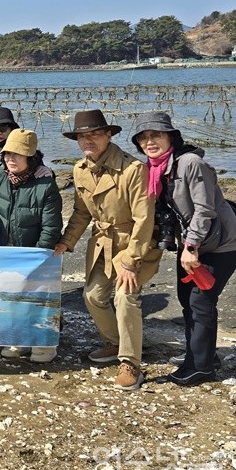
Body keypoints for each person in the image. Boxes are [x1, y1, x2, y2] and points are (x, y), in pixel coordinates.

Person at [131, 111, 236, 386]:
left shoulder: (191, 163)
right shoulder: (155, 169)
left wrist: (191, 246)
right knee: (187, 299)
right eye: (143, 137)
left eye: (156, 135)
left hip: (218, 244)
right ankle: (202, 356)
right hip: (192, 243)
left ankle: (200, 368)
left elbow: (205, 209)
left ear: (171, 137)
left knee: (200, 302)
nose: (149, 142)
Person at [55, 110, 162, 392]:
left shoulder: (133, 169)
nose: (87, 140)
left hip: (135, 244)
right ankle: (115, 342)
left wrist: (130, 261)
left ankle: (130, 363)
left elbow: (144, 220)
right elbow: (81, 213)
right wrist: (66, 241)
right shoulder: (80, 169)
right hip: (102, 243)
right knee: (92, 296)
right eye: (82, 136)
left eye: (94, 134)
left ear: (108, 135)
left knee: (126, 296)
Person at [0, 129, 63, 363]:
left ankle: (44, 344)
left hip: (34, 251)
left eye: (17, 154)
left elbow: (51, 227)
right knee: (11, 297)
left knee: (37, 297)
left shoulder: (45, 184)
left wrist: (37, 256)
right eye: (8, 153)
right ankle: (19, 339)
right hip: (5, 249)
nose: (11, 159)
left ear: (30, 156)